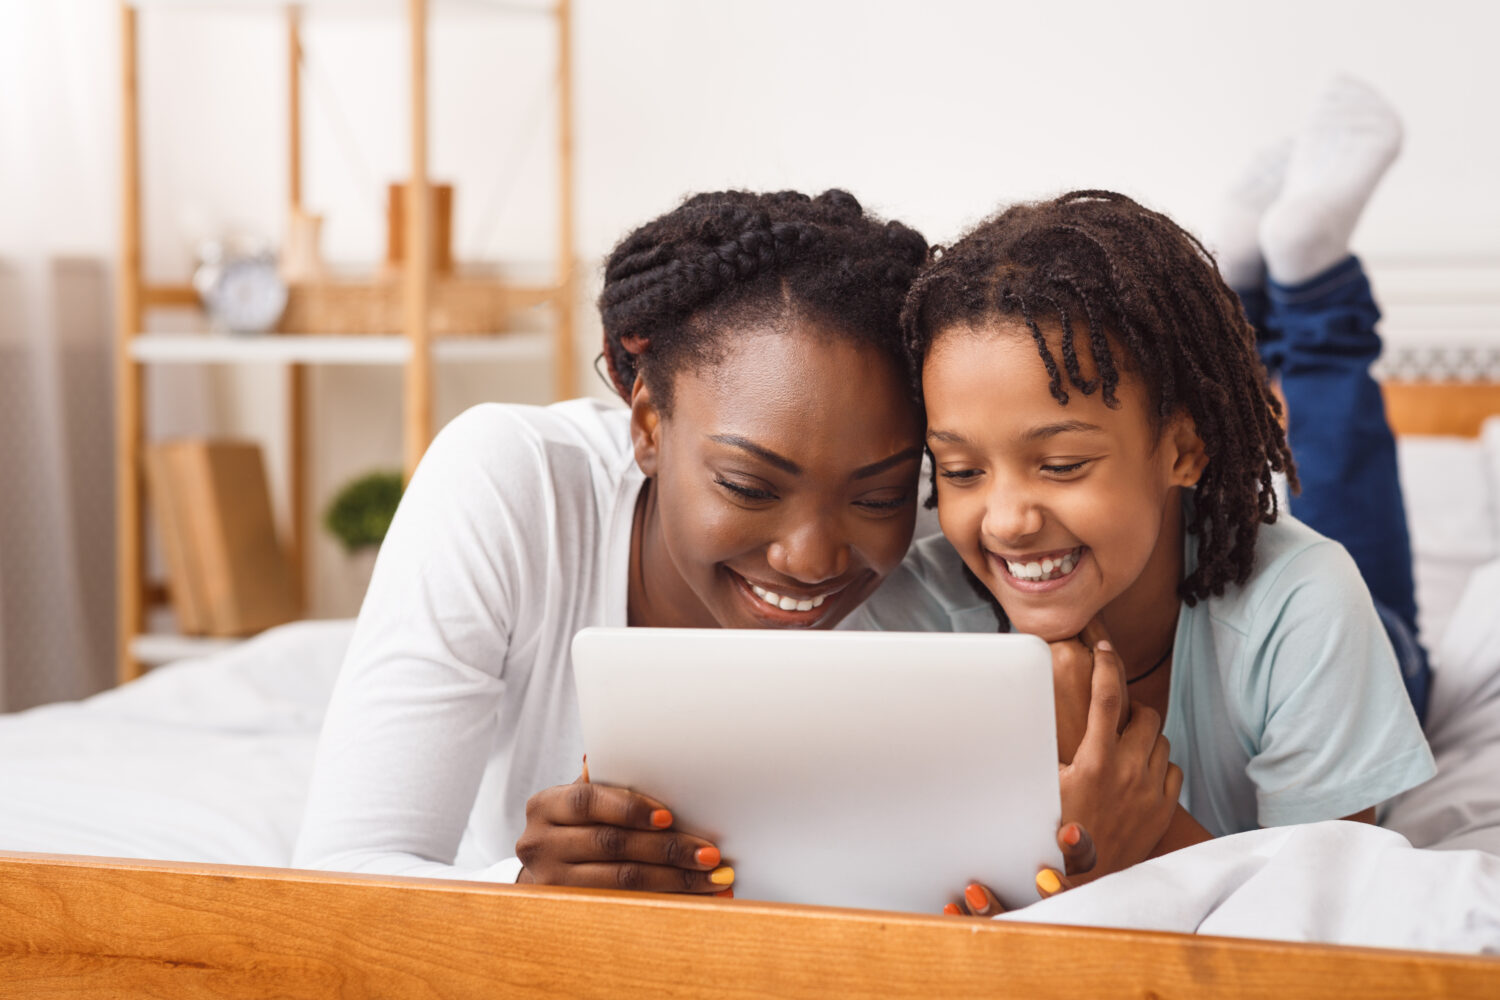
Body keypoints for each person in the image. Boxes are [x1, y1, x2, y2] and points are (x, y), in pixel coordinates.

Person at [875, 79, 1436, 917]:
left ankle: (1311, 290)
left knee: (1354, 568)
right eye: (959, 471)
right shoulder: (909, 613)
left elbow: (1328, 926)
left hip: (1347, 626)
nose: (1007, 519)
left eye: (1061, 465)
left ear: (1183, 448)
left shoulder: (1303, 606)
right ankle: (1249, 284)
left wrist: (1143, 829)